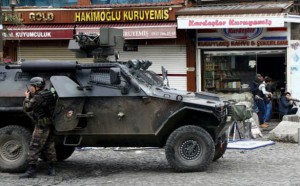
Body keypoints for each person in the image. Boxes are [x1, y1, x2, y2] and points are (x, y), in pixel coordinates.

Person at [20, 77, 57, 178]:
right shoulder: (48, 93)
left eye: (32, 86)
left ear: (37, 87)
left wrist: (27, 97)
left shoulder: (37, 97)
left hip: (41, 126)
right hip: (50, 123)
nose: (30, 88)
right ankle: (51, 168)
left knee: (34, 146)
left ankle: (31, 170)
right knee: (49, 146)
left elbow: (27, 108)